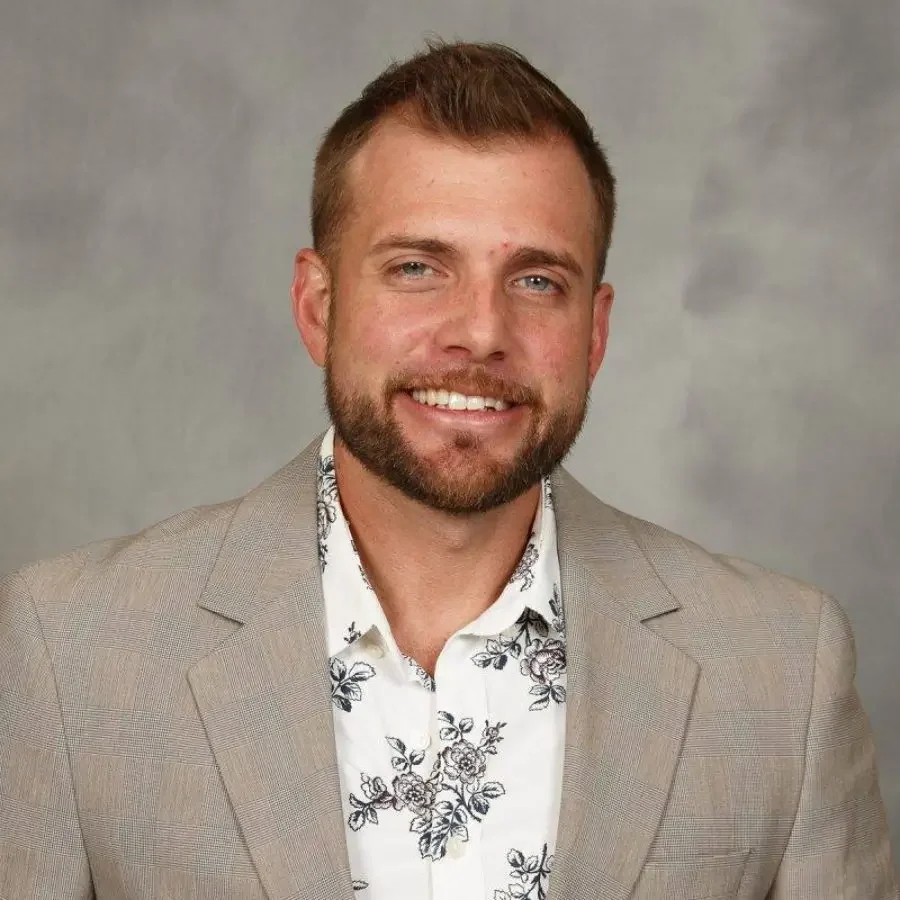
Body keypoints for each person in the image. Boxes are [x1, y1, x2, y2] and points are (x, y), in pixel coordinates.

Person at [0, 39, 896, 900]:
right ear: (318, 306)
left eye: (537, 280)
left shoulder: (783, 671)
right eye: (418, 267)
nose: (481, 332)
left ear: (594, 332)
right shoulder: (72, 652)